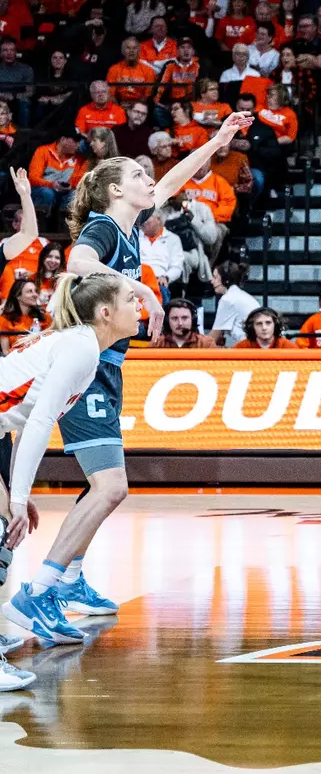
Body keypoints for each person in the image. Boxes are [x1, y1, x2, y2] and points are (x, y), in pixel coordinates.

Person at [10, 111, 255, 643]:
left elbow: (173, 180)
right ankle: (40, 590)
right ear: (117, 190)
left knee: (103, 484)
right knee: (111, 486)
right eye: (141, 176)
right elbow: (74, 261)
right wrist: (140, 288)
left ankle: (67, 579)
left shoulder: (126, 223)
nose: (153, 180)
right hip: (86, 368)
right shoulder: (102, 227)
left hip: (106, 366)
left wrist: (217, 141)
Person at [0, 273, 142, 670]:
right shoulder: (81, 348)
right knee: (2, 528)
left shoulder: (81, 345)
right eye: (131, 299)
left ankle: (31, 603)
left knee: (2, 527)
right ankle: (35, 600)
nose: (139, 306)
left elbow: (26, 422)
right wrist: (17, 497)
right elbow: (40, 422)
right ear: (105, 312)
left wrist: (17, 494)